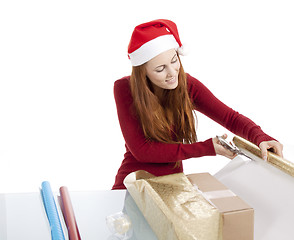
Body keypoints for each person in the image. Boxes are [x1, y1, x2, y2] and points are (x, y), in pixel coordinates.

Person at [112, 19, 283, 190]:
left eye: (174, 60)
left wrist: (260, 137)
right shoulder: (124, 89)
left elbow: (230, 118)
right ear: (143, 73)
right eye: (160, 69)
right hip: (131, 184)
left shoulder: (187, 86)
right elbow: (142, 150)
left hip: (172, 186)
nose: (173, 73)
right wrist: (205, 148)